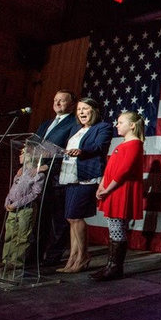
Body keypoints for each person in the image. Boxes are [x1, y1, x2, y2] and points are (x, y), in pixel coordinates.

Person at [57, 98, 113, 273]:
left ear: (94, 110)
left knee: (76, 216)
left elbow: (99, 146)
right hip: (69, 175)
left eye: (85, 109)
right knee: (70, 218)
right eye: (79, 109)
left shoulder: (103, 127)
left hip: (86, 176)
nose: (81, 112)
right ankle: (73, 258)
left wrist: (82, 152)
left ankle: (83, 256)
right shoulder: (75, 129)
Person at [93, 111, 145, 281]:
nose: (117, 125)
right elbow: (110, 168)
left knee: (117, 229)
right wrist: (102, 185)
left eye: (120, 122)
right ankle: (110, 265)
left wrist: (108, 189)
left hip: (120, 190)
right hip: (112, 189)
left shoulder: (135, 144)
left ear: (132, 125)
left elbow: (124, 170)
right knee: (114, 228)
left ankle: (115, 267)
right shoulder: (123, 144)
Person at [35, 90, 77, 266]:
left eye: (62, 100)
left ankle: (53, 256)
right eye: (55, 100)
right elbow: (34, 146)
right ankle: (34, 255)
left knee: (58, 220)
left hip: (58, 178)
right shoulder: (46, 124)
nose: (57, 103)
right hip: (38, 176)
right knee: (40, 218)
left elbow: (69, 151)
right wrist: (25, 165)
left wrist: (49, 166)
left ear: (71, 104)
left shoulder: (74, 123)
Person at [0, 145, 47, 278]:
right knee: (10, 234)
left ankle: (16, 262)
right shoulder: (20, 172)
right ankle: (6, 260)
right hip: (13, 208)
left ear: (31, 156)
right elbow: (12, 189)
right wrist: (7, 202)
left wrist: (17, 204)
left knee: (22, 236)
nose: (20, 156)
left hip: (26, 209)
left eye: (23, 153)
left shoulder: (38, 174)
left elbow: (35, 194)